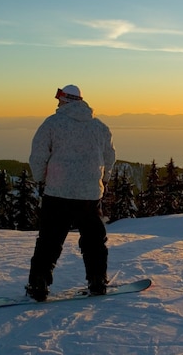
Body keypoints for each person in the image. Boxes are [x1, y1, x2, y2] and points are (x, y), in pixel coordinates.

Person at [26, 85, 116, 301]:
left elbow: (38, 155)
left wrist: (41, 178)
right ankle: (97, 281)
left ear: (66, 100)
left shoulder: (52, 124)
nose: (57, 103)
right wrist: (102, 181)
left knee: (49, 240)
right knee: (94, 241)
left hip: (58, 193)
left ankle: (39, 284)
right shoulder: (99, 127)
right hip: (89, 195)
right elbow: (109, 158)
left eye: (59, 99)